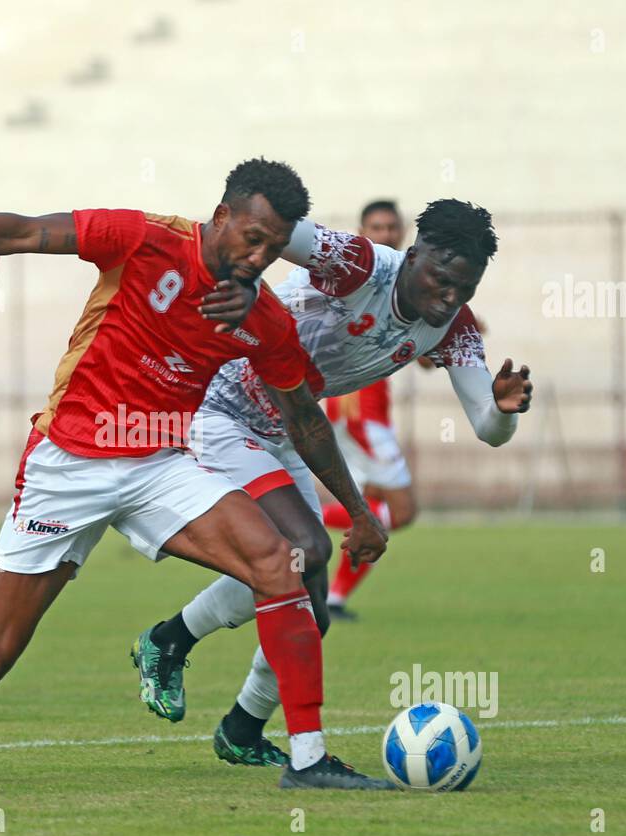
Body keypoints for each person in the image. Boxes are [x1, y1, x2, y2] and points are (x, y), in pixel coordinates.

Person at [0, 158, 397, 790]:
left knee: (280, 560)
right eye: (250, 239)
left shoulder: (259, 318)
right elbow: (20, 232)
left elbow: (306, 420)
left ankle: (307, 759)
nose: (258, 257)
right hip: (67, 465)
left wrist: (360, 511)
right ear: (221, 216)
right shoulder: (144, 239)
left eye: (273, 248)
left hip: (159, 463)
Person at [130, 200, 531, 768]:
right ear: (411, 256)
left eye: (463, 289)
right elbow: (275, 232)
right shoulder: (359, 264)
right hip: (216, 411)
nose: (448, 297)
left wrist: (505, 407)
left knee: (308, 608)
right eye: (441, 279)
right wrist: (242, 283)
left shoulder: (454, 328)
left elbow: (489, 429)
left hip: (286, 430)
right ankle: (179, 646)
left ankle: (238, 721)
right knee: (307, 551)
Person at [321, 199, 417, 620]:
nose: (386, 234)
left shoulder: (403, 278)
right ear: (362, 231)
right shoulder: (364, 276)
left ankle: (335, 598)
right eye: (376, 227)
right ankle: (290, 515)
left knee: (374, 512)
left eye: (392, 227)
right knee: (400, 512)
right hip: (360, 415)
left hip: (357, 414)